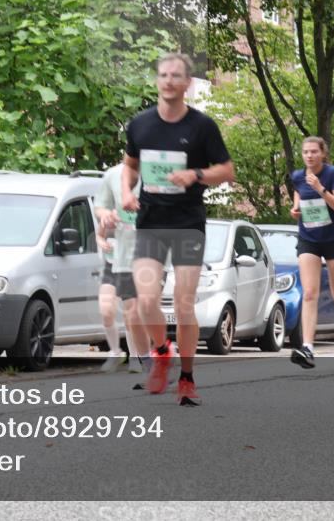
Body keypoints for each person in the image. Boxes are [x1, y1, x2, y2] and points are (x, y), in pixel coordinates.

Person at [122, 52, 234, 406]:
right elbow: (130, 165)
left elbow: (227, 170)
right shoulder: (140, 124)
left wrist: (196, 175)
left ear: (187, 84)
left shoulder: (202, 127)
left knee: (185, 305)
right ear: (157, 80)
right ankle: (161, 351)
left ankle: (187, 378)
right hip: (151, 221)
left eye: (176, 76)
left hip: (187, 222)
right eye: (163, 75)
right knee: (145, 301)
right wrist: (126, 191)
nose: (168, 81)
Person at [289, 136, 334, 368]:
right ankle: (308, 348)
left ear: (323, 154)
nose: (309, 155)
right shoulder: (298, 176)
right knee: (309, 292)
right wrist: (295, 209)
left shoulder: (333, 174)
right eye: (305, 152)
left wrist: (321, 190)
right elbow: (298, 195)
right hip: (309, 237)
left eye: (313, 152)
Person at [94, 162, 149, 374]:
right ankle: (115, 352)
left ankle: (135, 357)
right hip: (111, 263)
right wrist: (103, 242)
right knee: (106, 310)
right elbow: (99, 234)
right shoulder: (113, 210)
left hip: (136, 262)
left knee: (131, 313)